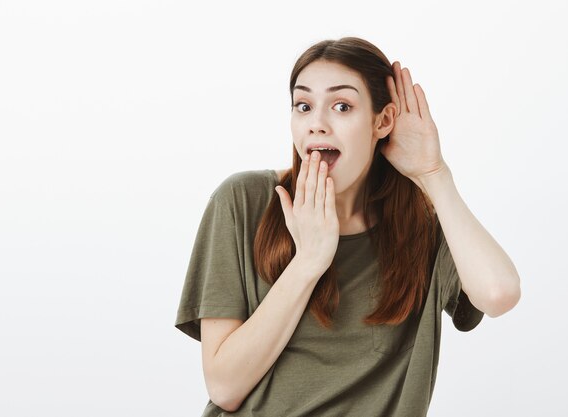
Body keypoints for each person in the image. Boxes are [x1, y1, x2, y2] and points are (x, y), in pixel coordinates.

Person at [174, 37, 521, 416]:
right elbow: (224, 387)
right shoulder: (243, 201)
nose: (317, 124)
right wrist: (308, 261)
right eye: (303, 106)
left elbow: (498, 293)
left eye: (342, 106)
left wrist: (433, 173)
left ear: (383, 121)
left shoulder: (421, 226)